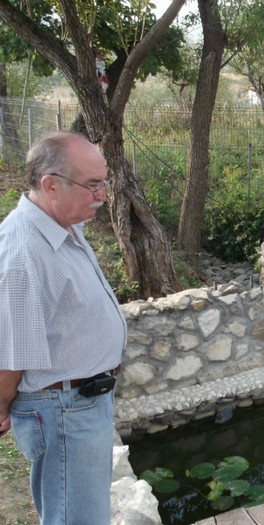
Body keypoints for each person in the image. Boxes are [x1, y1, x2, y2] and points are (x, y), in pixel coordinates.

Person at [0, 131, 127, 525]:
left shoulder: (62, 225)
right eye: (92, 186)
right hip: (63, 412)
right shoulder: (23, 253)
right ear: (49, 185)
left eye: (102, 184)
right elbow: (10, 351)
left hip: (79, 404)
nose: (102, 196)